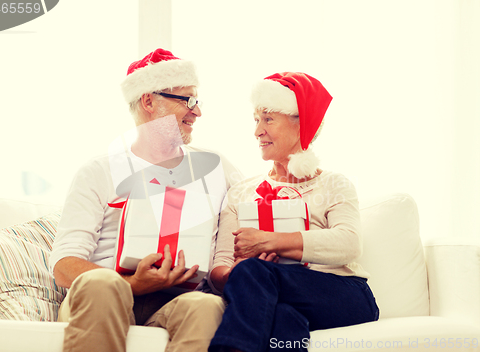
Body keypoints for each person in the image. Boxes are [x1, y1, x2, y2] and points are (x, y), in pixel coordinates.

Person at [49, 48, 242, 352]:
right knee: (103, 285)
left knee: (206, 306)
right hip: (106, 296)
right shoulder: (99, 171)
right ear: (149, 101)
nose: (197, 112)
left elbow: (242, 228)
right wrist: (132, 284)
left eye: (198, 101)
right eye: (187, 100)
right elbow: (64, 266)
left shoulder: (219, 170)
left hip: (174, 303)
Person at [207, 72, 379, 352]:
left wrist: (271, 241)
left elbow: (349, 243)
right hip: (272, 293)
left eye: (268, 119)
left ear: (302, 125)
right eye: (256, 120)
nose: (257, 131)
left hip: (343, 294)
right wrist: (233, 275)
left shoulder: (333, 183)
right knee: (283, 316)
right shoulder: (241, 192)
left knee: (256, 273)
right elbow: (220, 265)